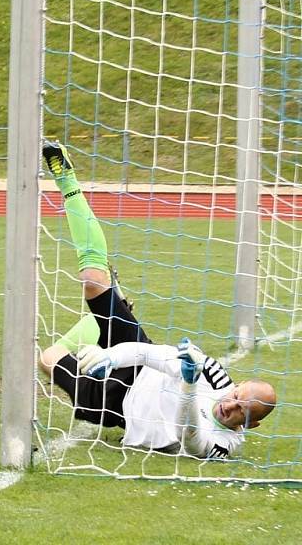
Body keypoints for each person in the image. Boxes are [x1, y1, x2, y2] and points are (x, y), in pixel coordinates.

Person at [38, 140, 276, 459]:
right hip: (138, 365)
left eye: (239, 411)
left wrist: (190, 387)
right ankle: (66, 177)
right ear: (238, 384)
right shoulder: (216, 375)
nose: (228, 405)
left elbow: (190, 439)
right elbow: (155, 355)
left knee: (48, 357)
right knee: (93, 282)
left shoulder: (226, 445)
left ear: (249, 425)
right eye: (236, 395)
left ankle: (98, 323)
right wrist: (114, 358)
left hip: (114, 406)